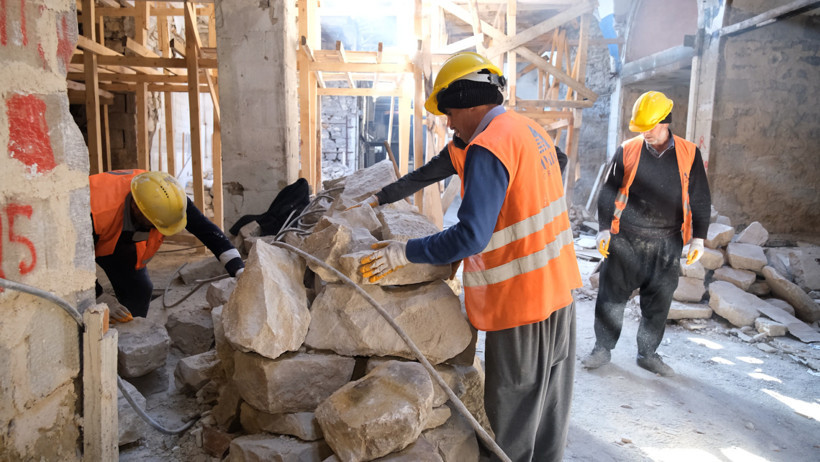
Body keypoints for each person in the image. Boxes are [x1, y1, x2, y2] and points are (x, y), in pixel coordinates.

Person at [356, 51, 581, 462]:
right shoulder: (525, 130)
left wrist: (405, 251)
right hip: (560, 292)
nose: (448, 122)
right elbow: (425, 174)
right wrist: (377, 197)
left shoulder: (488, 147)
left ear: (470, 101)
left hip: (522, 302)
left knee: (509, 421)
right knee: (548, 412)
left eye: (450, 112)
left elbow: (472, 235)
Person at [582, 91, 712, 377]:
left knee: (658, 302)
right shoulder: (628, 149)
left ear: (665, 121)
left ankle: (648, 353)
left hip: (667, 241)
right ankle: (602, 349)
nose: (645, 134)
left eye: (650, 127)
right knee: (611, 297)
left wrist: (698, 238)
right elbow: (608, 191)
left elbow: (700, 197)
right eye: (641, 129)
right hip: (626, 238)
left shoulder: (689, 153)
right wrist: (604, 229)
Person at [90, 170, 244, 321]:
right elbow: (70, 260)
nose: (158, 230)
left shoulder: (170, 201)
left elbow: (207, 231)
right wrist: (98, 295)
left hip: (118, 240)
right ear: (137, 209)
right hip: (83, 237)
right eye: (154, 223)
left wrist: (238, 268)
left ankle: (128, 337)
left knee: (139, 289)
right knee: (82, 300)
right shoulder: (95, 211)